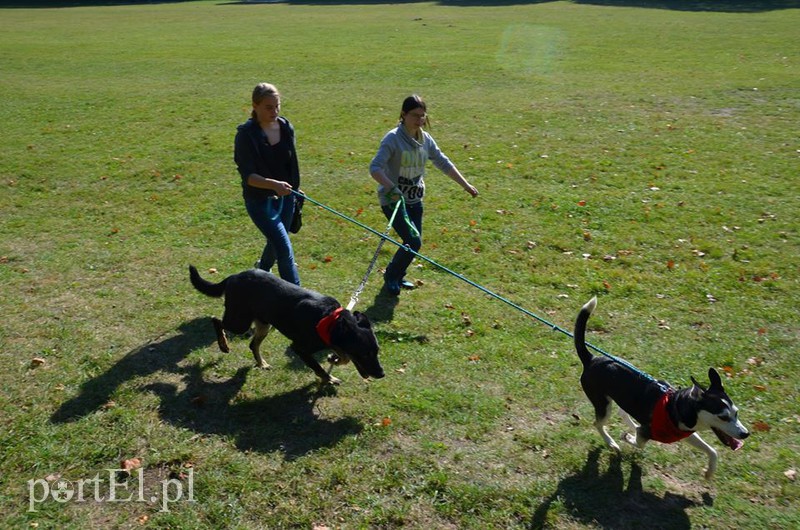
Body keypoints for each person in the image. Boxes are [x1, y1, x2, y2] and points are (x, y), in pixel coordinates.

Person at [369, 94, 478, 296]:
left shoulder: (425, 139)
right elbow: (375, 168)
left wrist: (465, 185)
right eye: (415, 115)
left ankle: (397, 274)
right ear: (403, 114)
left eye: (422, 116)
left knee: (413, 243)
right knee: (413, 241)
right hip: (393, 201)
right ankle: (391, 276)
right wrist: (392, 188)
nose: (419, 120)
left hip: (415, 199)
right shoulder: (393, 138)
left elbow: (443, 162)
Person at [234, 82, 301, 285]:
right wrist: (274, 185)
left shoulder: (285, 127)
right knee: (283, 247)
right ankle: (298, 298)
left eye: (277, 106)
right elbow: (249, 176)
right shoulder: (246, 135)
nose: (275, 111)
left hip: (286, 197)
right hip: (259, 201)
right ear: (255, 106)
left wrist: (294, 189)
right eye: (268, 107)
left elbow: (290, 163)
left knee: (276, 240)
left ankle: (261, 271)